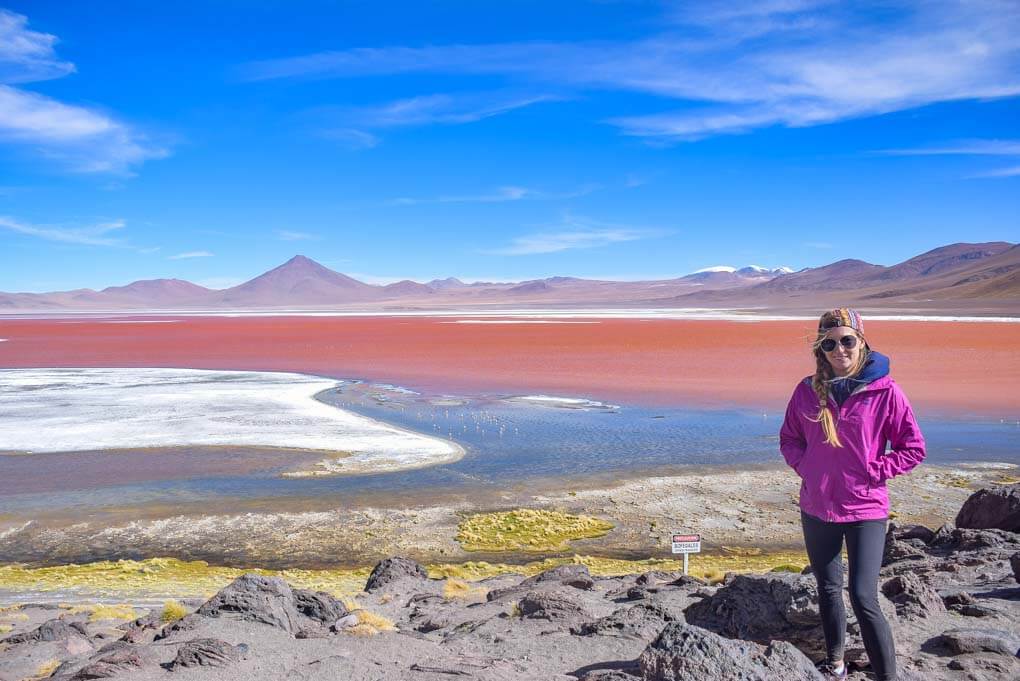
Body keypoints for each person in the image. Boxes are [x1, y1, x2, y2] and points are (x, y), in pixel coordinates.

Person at [779, 308, 925, 681]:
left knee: (863, 596)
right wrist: (808, 468)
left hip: (865, 509)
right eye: (830, 343)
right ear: (820, 349)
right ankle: (837, 664)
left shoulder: (885, 392)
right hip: (817, 507)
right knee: (827, 589)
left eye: (847, 340)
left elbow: (913, 447)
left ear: (861, 341)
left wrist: (875, 471)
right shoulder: (806, 391)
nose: (839, 349)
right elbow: (789, 439)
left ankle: (886, 676)